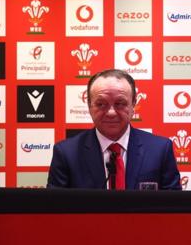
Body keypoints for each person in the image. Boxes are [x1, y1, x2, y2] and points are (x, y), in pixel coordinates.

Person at [47, 69, 181, 190]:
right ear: (89, 106)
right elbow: (54, 211)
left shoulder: (160, 149)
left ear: (133, 104)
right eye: (101, 104)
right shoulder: (66, 153)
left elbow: (174, 209)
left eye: (120, 103)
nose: (111, 112)